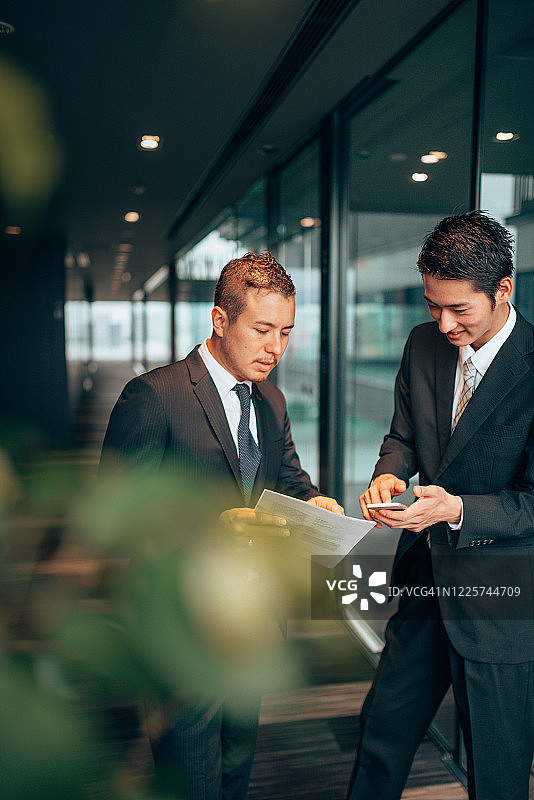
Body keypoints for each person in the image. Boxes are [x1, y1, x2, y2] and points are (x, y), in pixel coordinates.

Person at [101, 250, 342, 800]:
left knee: (236, 771)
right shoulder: (154, 396)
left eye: (286, 332)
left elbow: (286, 483)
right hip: (179, 630)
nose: (275, 348)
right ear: (219, 319)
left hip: (249, 625)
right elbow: (116, 522)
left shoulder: (272, 401)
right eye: (262, 330)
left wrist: (317, 503)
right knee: (191, 781)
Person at [347, 211, 534, 800]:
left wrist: (455, 510)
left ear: (503, 290)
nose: (444, 323)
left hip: (501, 599)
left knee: (496, 773)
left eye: (460, 309)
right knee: (382, 729)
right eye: (433, 306)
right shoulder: (423, 344)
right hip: (426, 578)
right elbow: (403, 436)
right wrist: (386, 476)